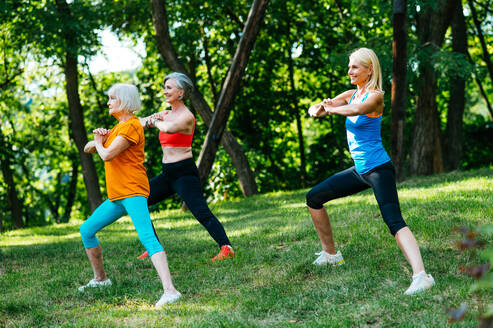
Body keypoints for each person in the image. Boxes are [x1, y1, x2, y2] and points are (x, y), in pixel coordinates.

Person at [306, 48, 435, 295]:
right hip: (360, 170)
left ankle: (422, 276)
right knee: (314, 198)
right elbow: (329, 104)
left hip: (379, 169)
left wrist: (330, 109)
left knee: (394, 222)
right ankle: (331, 254)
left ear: (370, 70)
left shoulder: (375, 97)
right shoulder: (352, 94)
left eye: (355, 67)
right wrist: (319, 107)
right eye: (349, 66)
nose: (350, 71)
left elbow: (354, 111)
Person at [81, 83, 181, 306]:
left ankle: (171, 290)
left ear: (124, 102)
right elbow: (89, 147)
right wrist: (99, 138)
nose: (108, 102)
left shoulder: (130, 128)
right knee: (87, 229)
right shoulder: (118, 128)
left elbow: (105, 155)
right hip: (117, 196)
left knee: (147, 237)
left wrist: (99, 142)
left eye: (112, 98)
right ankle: (101, 279)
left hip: (133, 191)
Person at [137, 72, 234, 262]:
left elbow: (168, 129)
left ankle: (226, 247)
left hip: (184, 172)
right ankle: (153, 246)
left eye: (169, 88)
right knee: (140, 201)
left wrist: (154, 121)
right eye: (165, 88)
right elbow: (140, 123)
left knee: (201, 212)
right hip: (167, 173)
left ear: (181, 92)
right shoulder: (165, 114)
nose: (165, 92)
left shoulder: (187, 116)